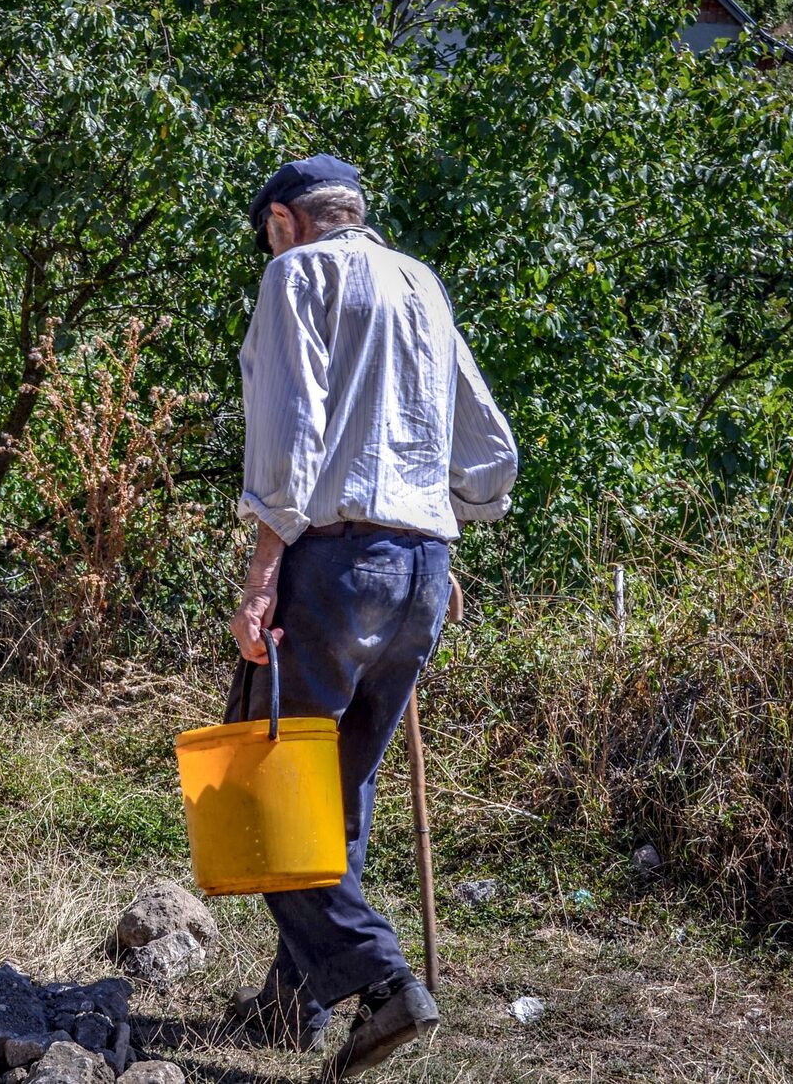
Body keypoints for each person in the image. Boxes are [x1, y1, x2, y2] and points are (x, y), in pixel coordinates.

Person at [223, 154, 518, 1080]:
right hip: (422, 567)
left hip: (336, 561)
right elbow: (490, 453)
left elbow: (291, 427)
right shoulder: (420, 282)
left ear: (283, 220)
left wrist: (264, 565)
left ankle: (381, 978)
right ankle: (291, 1003)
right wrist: (432, 529)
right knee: (336, 785)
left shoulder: (295, 273)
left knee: (263, 787)